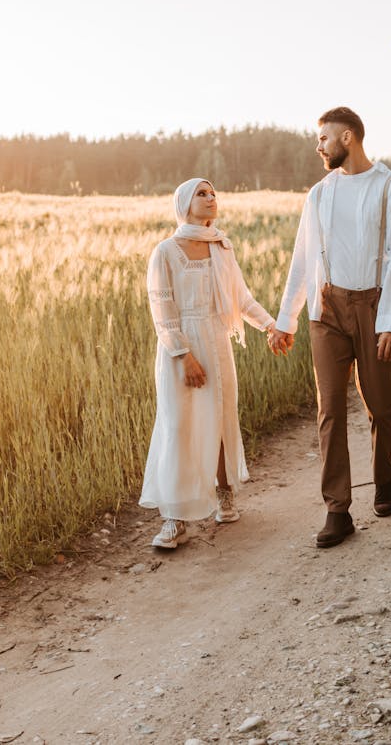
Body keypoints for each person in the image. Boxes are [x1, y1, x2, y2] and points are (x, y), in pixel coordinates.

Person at [269, 107, 391, 548]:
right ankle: (338, 509)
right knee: (329, 409)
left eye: (324, 138)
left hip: (372, 307)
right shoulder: (318, 194)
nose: (319, 146)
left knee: (379, 402)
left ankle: (383, 477)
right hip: (327, 310)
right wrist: (286, 319)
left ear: (348, 137)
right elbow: (303, 259)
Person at [140, 178, 276, 550]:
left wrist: (270, 325)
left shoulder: (222, 247)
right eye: (202, 193)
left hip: (216, 342)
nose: (211, 198)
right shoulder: (165, 251)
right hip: (180, 350)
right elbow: (162, 310)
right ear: (184, 202)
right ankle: (174, 517)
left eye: (213, 192)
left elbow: (241, 298)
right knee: (178, 424)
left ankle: (224, 492)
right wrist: (182, 355)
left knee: (218, 418)